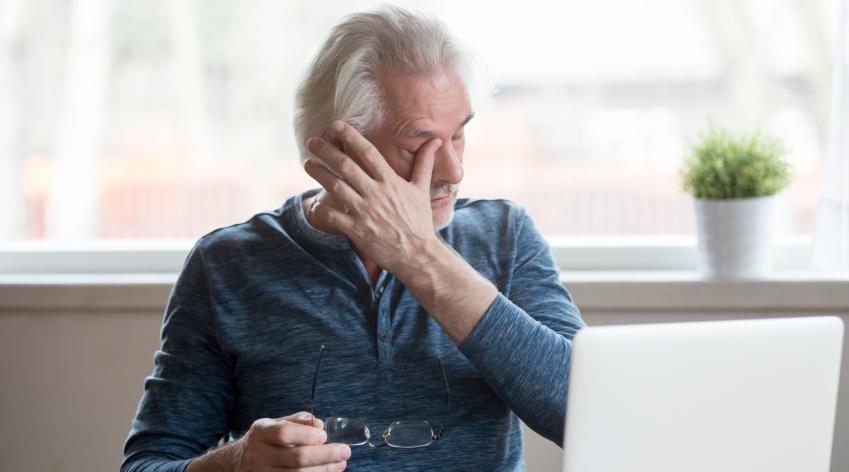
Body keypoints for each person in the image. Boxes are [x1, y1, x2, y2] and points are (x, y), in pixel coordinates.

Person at [121, 6, 585, 472]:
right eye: (418, 145)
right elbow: (148, 463)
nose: (452, 171)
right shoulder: (227, 265)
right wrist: (235, 463)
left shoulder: (505, 237)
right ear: (340, 149)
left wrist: (419, 255)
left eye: (459, 136)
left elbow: (585, 413)